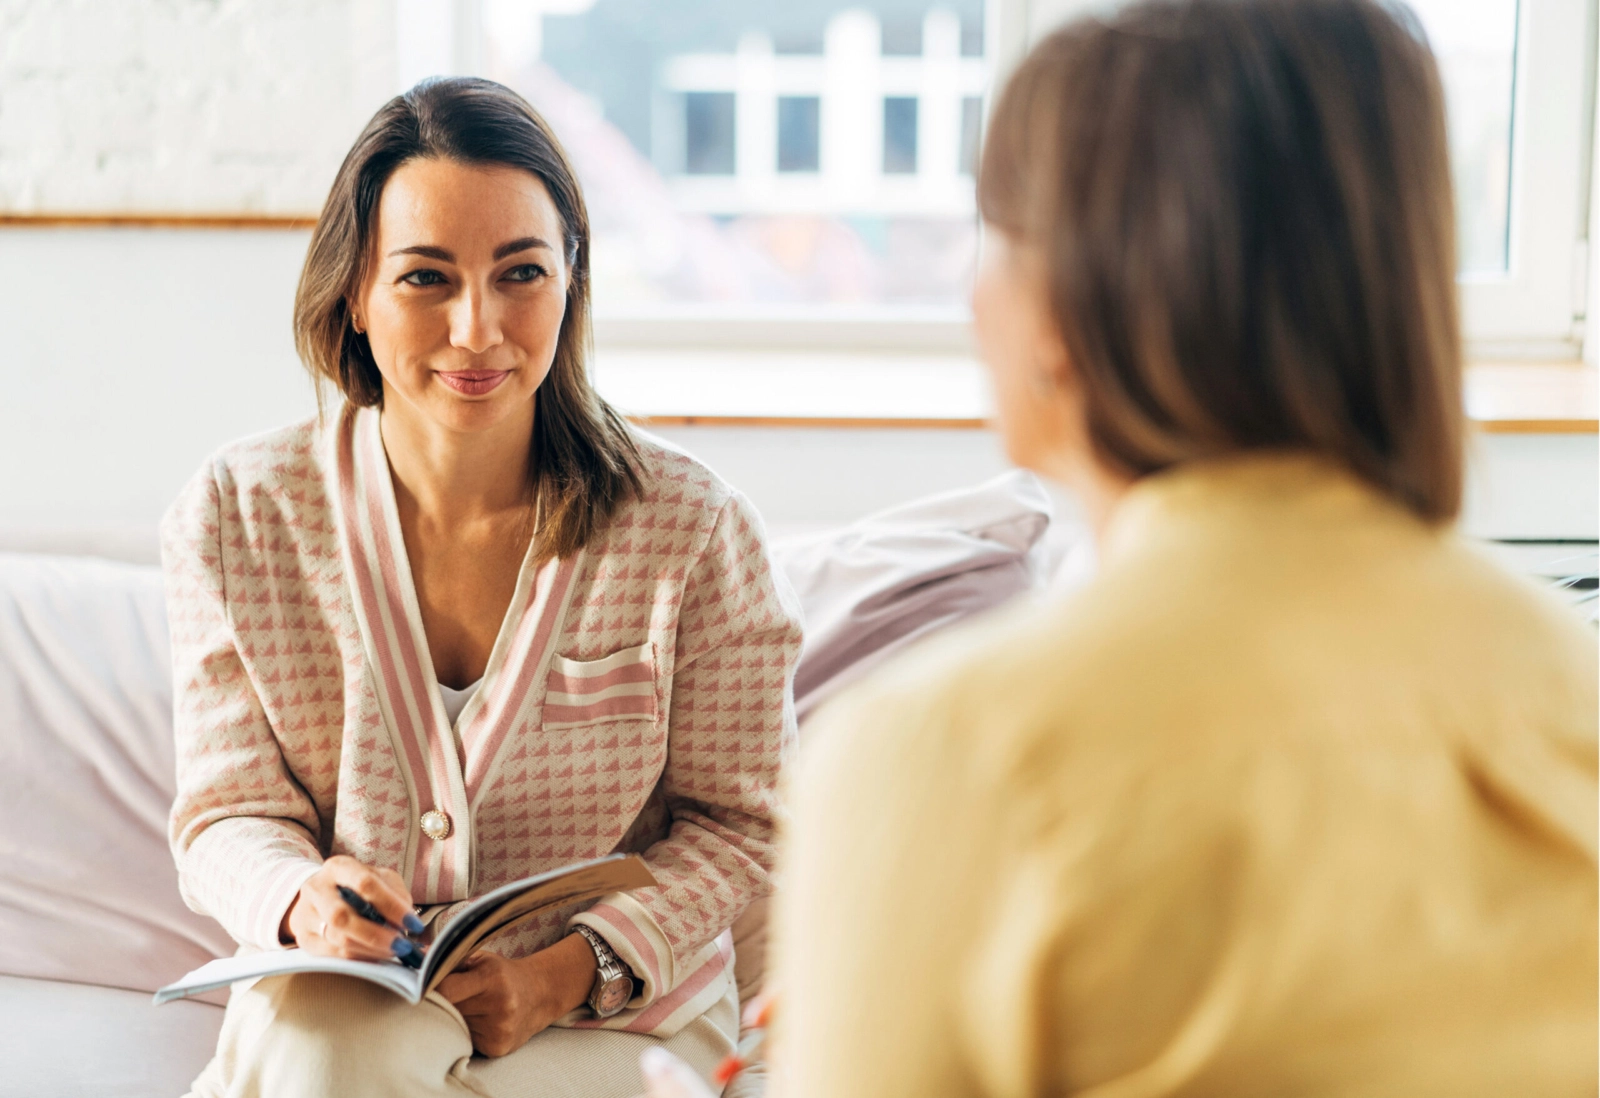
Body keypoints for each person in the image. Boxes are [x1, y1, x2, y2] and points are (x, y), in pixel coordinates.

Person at [643, 1, 1599, 1095]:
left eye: (989, 234)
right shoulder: (1564, 676)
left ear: (1061, 303)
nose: (970, 290)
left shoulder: (946, 752)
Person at [161, 77, 802, 1098]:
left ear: (569, 284)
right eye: (425, 279)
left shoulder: (692, 529)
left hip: (621, 1008)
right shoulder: (239, 516)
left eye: (520, 274)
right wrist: (301, 895)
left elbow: (746, 826)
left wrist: (567, 973)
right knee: (324, 1061)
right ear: (355, 297)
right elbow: (225, 815)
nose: (476, 330)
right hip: (354, 997)